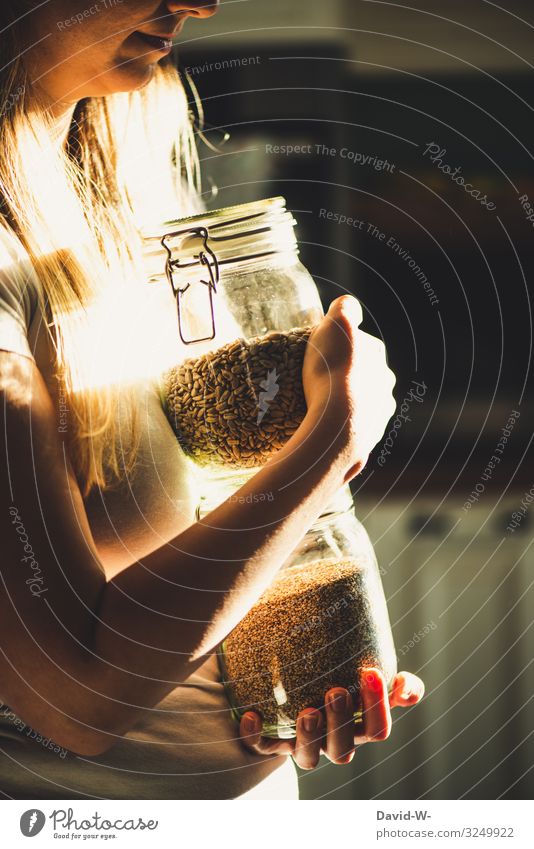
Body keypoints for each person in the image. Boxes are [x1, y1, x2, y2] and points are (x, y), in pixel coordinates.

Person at [0, 1, 424, 800]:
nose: (200, 2)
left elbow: (186, 541)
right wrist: (336, 438)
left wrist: (288, 661)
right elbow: (74, 695)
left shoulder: (118, 202)